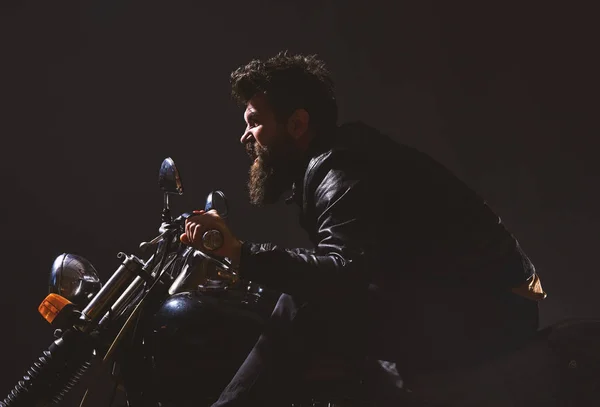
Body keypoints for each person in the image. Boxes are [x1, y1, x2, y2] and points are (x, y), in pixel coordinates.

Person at [180, 51, 547, 406]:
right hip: (468, 299)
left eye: (255, 121)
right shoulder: (339, 160)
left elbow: (344, 271)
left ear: (297, 124)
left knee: (303, 300)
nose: (246, 136)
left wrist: (239, 252)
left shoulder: (341, 168)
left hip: (493, 308)